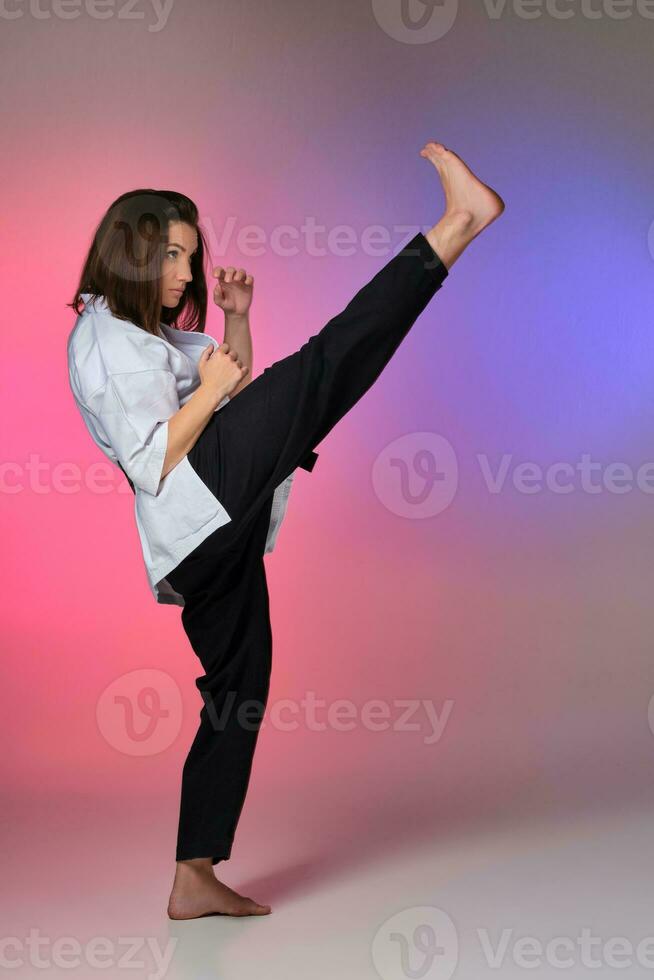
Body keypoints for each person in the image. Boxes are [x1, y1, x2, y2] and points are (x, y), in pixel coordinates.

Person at [66, 141, 504, 919]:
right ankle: (457, 226)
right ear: (129, 251)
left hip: (203, 535)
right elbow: (151, 457)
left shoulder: (144, 332)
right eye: (169, 255)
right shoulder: (102, 341)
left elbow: (227, 394)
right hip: (195, 498)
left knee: (238, 690)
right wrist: (213, 391)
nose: (183, 275)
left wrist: (237, 320)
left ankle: (192, 875)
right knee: (326, 367)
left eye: (189, 258)